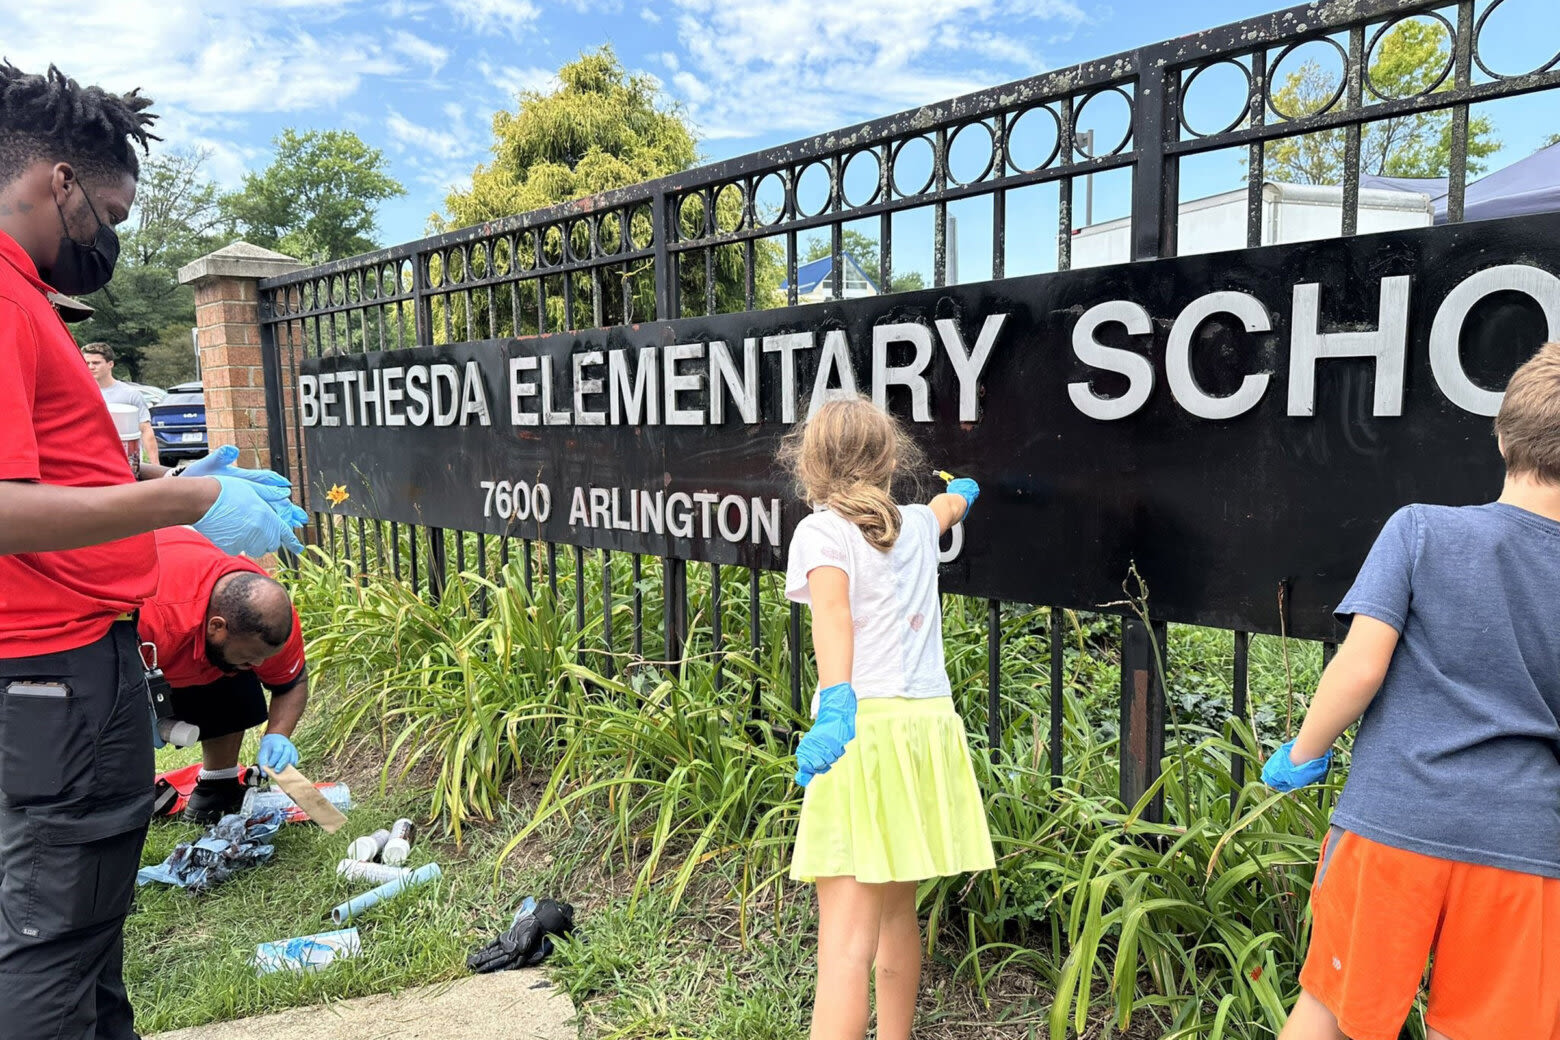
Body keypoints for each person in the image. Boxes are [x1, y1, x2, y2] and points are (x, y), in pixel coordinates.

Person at [0, 62, 305, 1040]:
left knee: (84, 927)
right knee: (52, 940)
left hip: (67, 665)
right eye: (110, 209)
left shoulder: (21, 296)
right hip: (50, 666)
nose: (109, 237)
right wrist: (188, 495)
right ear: (57, 180)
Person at [1262, 341, 1560, 1040]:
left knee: (1329, 1010)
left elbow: (1360, 668)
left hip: (1394, 823)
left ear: (1501, 433)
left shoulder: (1422, 530)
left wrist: (1304, 752)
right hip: (1525, 843)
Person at [779, 397, 995, 1040]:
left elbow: (834, 616)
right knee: (897, 917)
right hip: (922, 734)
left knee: (845, 944)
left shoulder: (822, 531)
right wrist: (965, 492)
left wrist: (837, 703)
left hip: (862, 736)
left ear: (810, 465)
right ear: (890, 459)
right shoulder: (916, 525)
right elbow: (947, 507)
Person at [140, 527, 309, 824]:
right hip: (145, 617)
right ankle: (121, 795)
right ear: (217, 626)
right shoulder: (155, 617)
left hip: (200, 637)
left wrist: (278, 735)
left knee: (233, 668)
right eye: (251, 655)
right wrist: (137, 719)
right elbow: (100, 684)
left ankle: (219, 784)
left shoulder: (271, 620)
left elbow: (292, 683)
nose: (258, 663)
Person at [82, 341, 159, 466]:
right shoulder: (80, 394)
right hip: (93, 462)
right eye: (87, 363)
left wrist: (155, 465)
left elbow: (146, 431)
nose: (91, 367)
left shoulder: (130, 394)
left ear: (110, 364)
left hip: (126, 462)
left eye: (96, 363)